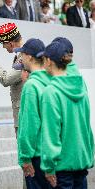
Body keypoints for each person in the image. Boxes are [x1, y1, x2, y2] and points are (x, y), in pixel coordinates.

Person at [40, 41, 94, 188]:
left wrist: (48, 166)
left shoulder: (51, 92)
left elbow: (51, 133)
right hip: (81, 161)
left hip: (61, 166)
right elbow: (85, 125)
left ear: (49, 61)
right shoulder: (80, 85)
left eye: (43, 59)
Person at [14, 38, 52, 189]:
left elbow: (29, 125)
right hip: (53, 154)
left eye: (22, 55)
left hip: (36, 157)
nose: (20, 58)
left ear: (29, 56)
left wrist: (24, 157)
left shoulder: (31, 86)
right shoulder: (52, 81)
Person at [0, 22, 23, 136]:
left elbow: (6, 79)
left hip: (25, 116)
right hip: (24, 115)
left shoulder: (25, 57)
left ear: (11, 43)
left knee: (26, 153)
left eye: (3, 43)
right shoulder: (20, 55)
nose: (3, 47)